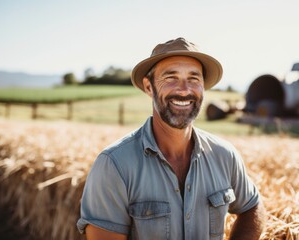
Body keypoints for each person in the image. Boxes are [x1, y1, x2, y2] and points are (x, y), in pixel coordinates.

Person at [77, 37, 266, 240]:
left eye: (194, 78)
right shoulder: (114, 165)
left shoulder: (224, 155)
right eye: (170, 78)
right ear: (149, 87)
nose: (184, 89)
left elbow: (253, 207)